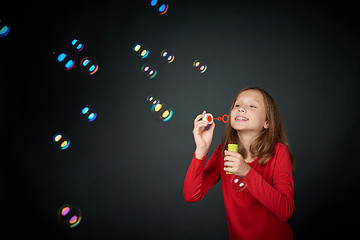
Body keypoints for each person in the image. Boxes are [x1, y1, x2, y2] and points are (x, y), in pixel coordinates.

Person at [183, 87, 296, 240]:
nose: (241, 109)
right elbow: (191, 195)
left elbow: (285, 211)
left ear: (267, 122)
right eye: (237, 105)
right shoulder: (223, 153)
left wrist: (247, 172)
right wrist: (201, 150)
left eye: (252, 106)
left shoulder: (278, 152)